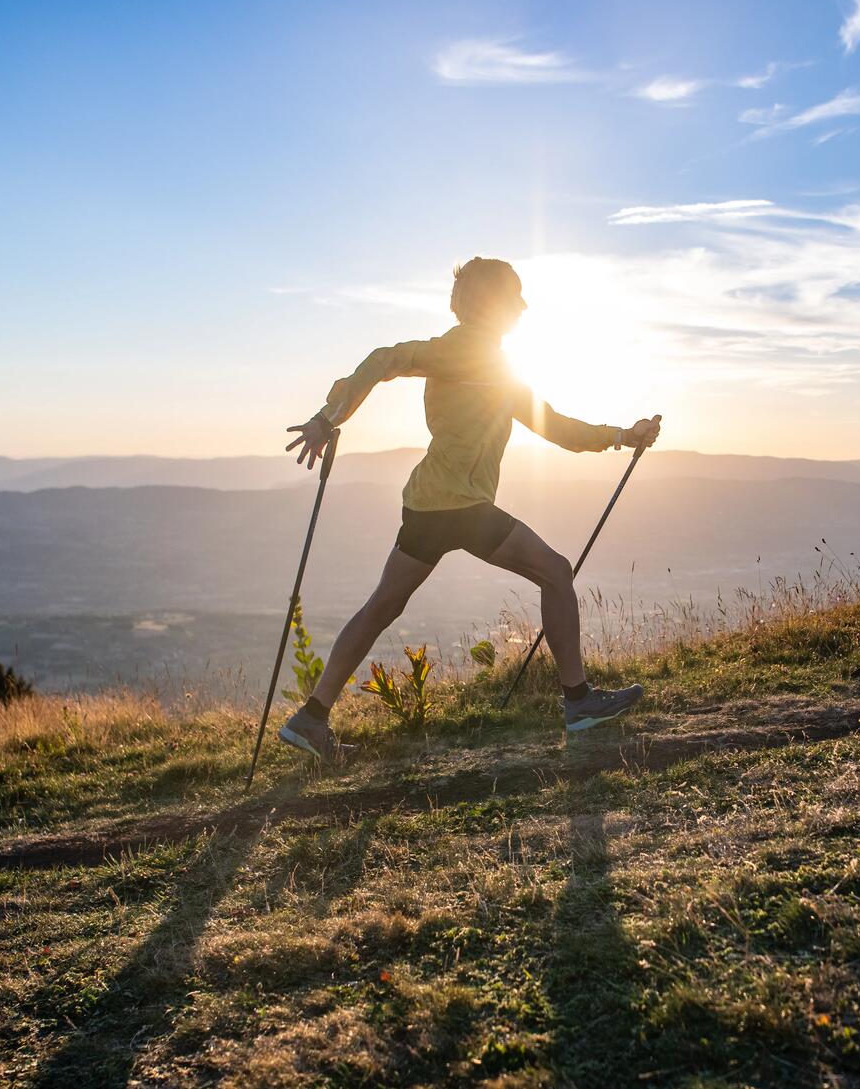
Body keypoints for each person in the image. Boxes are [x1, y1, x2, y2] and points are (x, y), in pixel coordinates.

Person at [277, 257, 661, 762]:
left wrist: (620, 436)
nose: (523, 306)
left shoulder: (491, 366)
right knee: (555, 572)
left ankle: (312, 717)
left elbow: (557, 428)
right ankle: (579, 702)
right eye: (514, 297)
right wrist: (328, 418)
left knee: (381, 607)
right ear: (491, 303)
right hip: (464, 507)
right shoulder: (463, 355)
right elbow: (383, 359)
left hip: (427, 504)